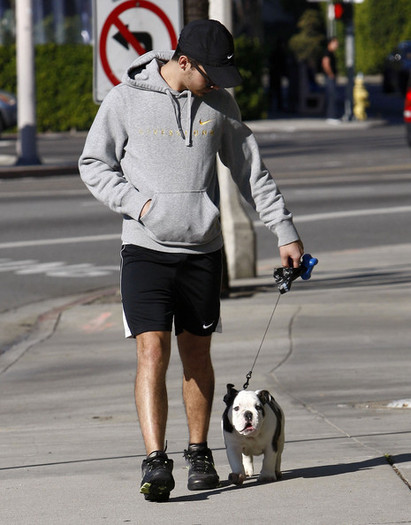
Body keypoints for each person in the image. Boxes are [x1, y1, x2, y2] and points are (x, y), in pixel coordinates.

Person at [79, 19, 304, 502]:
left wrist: (284, 231)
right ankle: (155, 460)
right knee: (151, 351)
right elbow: (93, 163)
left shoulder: (218, 103)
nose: (220, 82)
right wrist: (139, 205)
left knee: (197, 355)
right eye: (212, 72)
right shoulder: (125, 99)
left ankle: (198, 452)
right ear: (184, 62)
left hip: (202, 251)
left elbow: (251, 172)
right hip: (144, 248)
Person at [322, 36, 339, 122]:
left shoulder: (330, 52)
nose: (337, 45)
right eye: (335, 43)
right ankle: (331, 116)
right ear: (330, 43)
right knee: (331, 96)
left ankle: (332, 115)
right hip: (329, 77)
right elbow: (325, 63)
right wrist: (330, 74)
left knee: (332, 96)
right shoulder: (327, 52)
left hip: (330, 77)